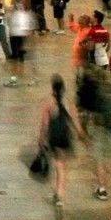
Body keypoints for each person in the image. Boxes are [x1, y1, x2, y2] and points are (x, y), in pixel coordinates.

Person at [36, 75, 84, 212]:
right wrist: (81, 136)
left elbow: (45, 125)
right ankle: (58, 193)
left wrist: (40, 139)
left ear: (52, 88)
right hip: (65, 137)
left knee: (58, 166)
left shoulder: (48, 103)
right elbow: (75, 122)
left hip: (54, 138)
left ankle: (59, 194)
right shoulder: (69, 102)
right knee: (61, 166)